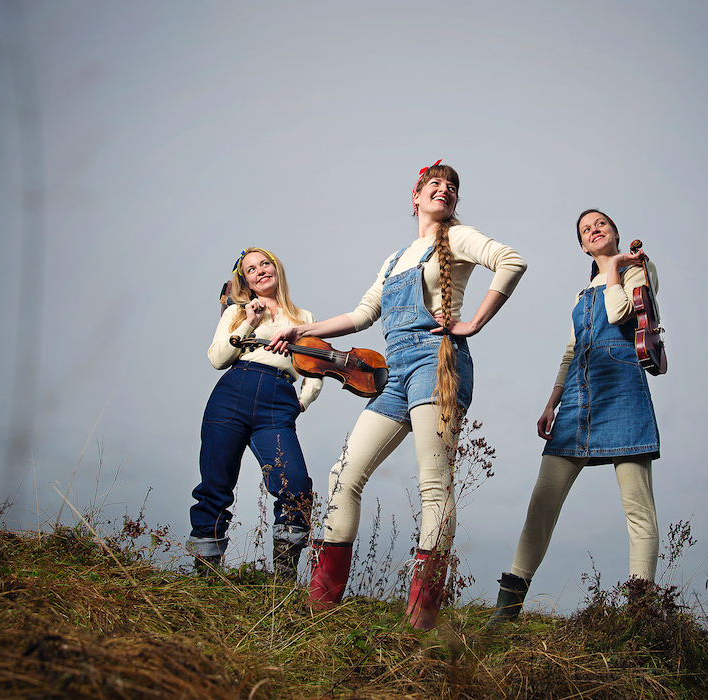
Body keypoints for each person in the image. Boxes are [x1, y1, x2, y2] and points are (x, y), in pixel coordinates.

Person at [268, 161, 526, 629]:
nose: (444, 191)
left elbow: (512, 261)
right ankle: (321, 606)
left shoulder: (459, 238)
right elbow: (363, 314)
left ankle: (421, 619)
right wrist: (301, 330)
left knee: (433, 486)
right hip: (394, 369)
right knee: (342, 475)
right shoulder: (395, 258)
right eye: (434, 184)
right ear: (415, 196)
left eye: (451, 187)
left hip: (437, 361)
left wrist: (471, 324)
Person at [487, 209, 661, 624]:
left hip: (621, 389)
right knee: (542, 501)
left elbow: (620, 314)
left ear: (615, 233)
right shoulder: (581, 296)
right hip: (578, 399)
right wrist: (552, 401)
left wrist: (615, 268)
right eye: (586, 229)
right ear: (583, 245)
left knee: (638, 507)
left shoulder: (639, 268)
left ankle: (639, 612)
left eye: (601, 224)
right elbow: (571, 351)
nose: (594, 230)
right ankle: (507, 608)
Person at [187, 247, 323, 580]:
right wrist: (249, 321)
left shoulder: (304, 318)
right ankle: (205, 575)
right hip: (231, 395)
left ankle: (282, 577)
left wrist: (301, 401)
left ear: (277, 268)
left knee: (297, 487)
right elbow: (218, 359)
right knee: (215, 485)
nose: (260, 270)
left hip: (278, 401)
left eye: (265, 263)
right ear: (245, 280)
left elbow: (315, 371)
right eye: (251, 269)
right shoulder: (237, 312)